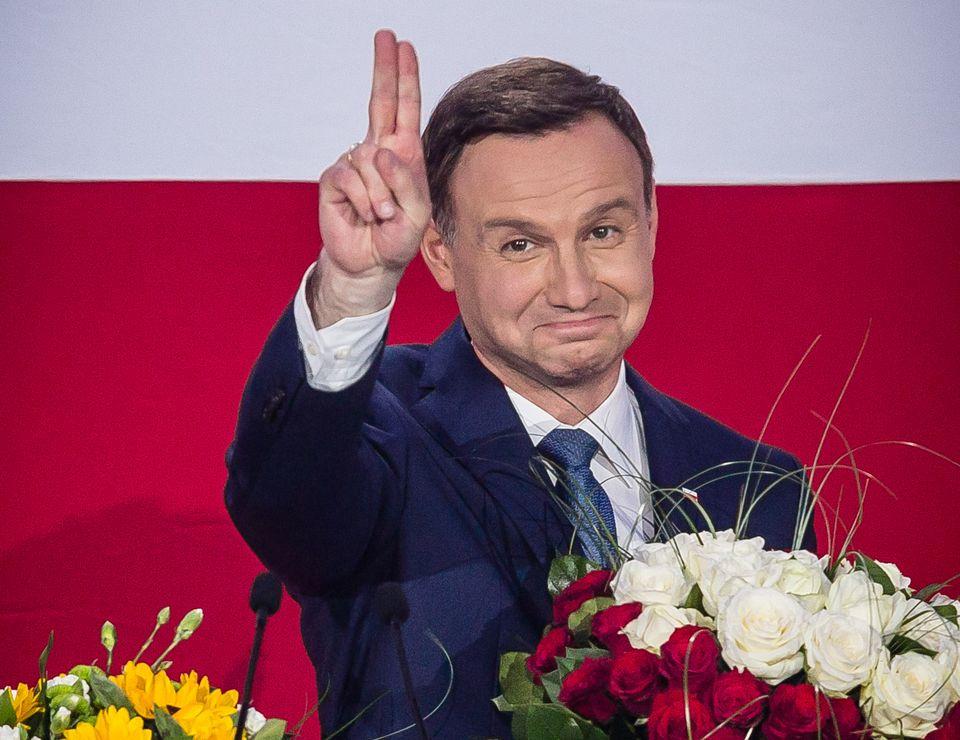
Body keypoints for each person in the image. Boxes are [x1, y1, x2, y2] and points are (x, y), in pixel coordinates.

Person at [225, 30, 813, 737]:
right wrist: (352, 287)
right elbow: (284, 496)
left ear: (651, 224)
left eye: (602, 232)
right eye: (521, 244)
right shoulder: (380, 437)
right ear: (441, 254)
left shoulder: (760, 487)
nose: (575, 288)